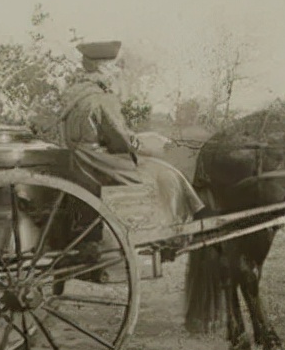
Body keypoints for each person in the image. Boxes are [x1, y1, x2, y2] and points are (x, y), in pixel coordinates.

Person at [58, 43, 204, 228]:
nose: (117, 73)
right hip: (100, 164)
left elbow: (102, 133)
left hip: (82, 161)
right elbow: (122, 142)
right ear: (103, 68)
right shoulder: (102, 99)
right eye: (114, 67)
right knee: (168, 176)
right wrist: (151, 145)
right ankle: (171, 229)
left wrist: (141, 136)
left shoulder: (77, 96)